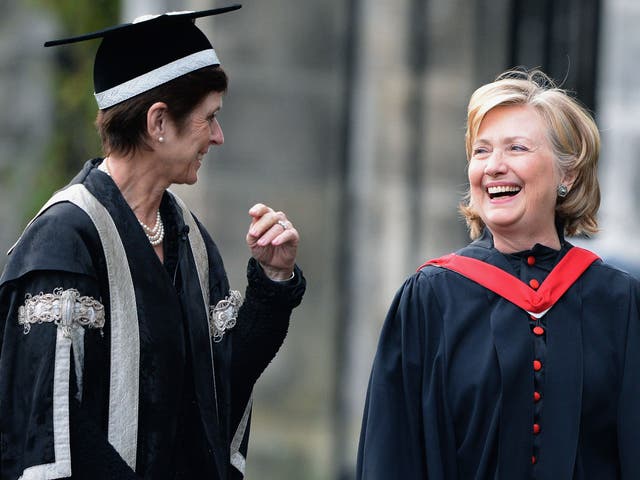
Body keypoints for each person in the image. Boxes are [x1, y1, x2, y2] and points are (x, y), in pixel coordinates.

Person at [0, 6, 305, 480]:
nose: (219, 137)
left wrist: (273, 279)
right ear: (159, 122)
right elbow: (51, 422)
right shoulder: (64, 240)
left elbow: (219, 386)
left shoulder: (189, 240)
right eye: (210, 118)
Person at [357, 69, 640, 479]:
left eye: (517, 148)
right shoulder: (431, 299)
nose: (494, 167)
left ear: (568, 173)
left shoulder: (619, 303)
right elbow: (391, 456)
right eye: (482, 151)